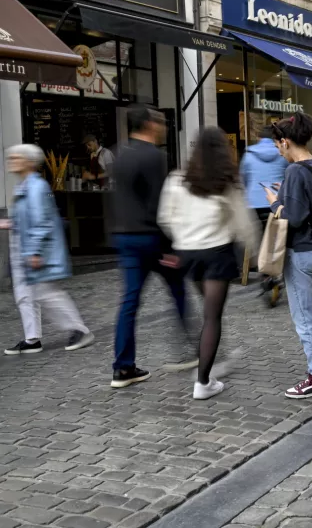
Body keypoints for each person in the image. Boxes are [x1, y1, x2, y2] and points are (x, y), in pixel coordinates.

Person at [158, 128, 257, 399]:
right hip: (217, 253)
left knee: (207, 313)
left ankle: (210, 365)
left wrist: (182, 238)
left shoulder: (177, 180)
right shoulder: (227, 182)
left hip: (189, 255)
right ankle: (203, 382)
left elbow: (165, 217)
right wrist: (255, 253)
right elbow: (244, 224)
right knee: (212, 317)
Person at [111, 105, 189, 388]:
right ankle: (192, 348)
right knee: (178, 289)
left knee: (129, 302)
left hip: (124, 236)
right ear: (148, 125)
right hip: (151, 238)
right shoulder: (155, 156)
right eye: (159, 122)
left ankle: (122, 367)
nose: (163, 126)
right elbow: (159, 204)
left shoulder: (119, 154)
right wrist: (171, 247)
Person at [263, 113, 312, 399]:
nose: (277, 150)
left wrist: (275, 204)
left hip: (302, 250)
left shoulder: (294, 171)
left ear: (285, 141)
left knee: (305, 316)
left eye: (277, 145)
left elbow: (293, 217)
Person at [2, 145, 95, 356]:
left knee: (46, 293)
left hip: (33, 248)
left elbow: (42, 222)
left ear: (28, 162)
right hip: (22, 246)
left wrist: (34, 252)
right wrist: (10, 223)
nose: (11, 160)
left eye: (16, 157)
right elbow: (26, 218)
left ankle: (80, 330)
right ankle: (31, 338)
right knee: (24, 294)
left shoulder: (36, 187)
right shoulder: (24, 186)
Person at [240, 125, 288, 224]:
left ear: (259, 138)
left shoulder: (248, 155)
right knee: (276, 237)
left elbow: (242, 180)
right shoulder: (282, 154)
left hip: (253, 206)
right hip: (275, 202)